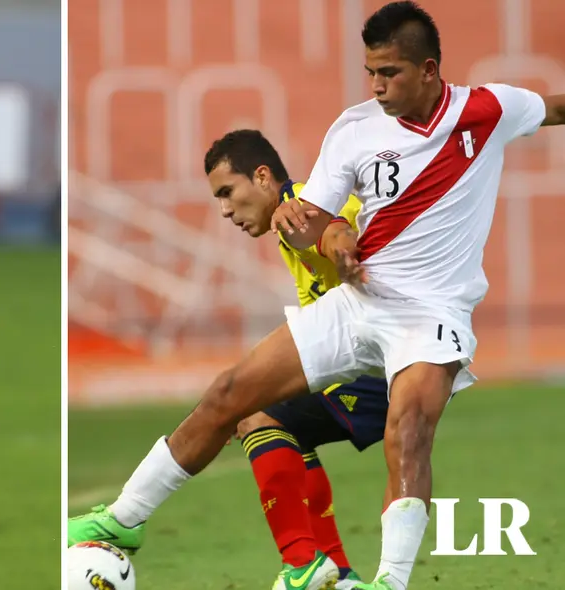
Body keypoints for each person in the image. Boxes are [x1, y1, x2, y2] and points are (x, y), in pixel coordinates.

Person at [67, 2, 565, 589]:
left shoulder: (490, 110)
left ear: (429, 70)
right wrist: (334, 237)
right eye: (370, 72)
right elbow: (306, 216)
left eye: (390, 73)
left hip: (432, 316)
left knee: (408, 430)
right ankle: (125, 520)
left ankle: (388, 582)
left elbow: (555, 107)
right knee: (231, 394)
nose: (376, 86)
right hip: (359, 304)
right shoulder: (354, 130)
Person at [68, 129, 387, 589]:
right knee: (279, 428)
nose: (224, 210)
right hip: (376, 355)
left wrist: (343, 250)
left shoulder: (295, 209)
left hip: (382, 359)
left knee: (248, 412)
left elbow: (332, 232)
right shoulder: (298, 213)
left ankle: (301, 564)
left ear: (261, 177)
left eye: (227, 192)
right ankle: (337, 574)